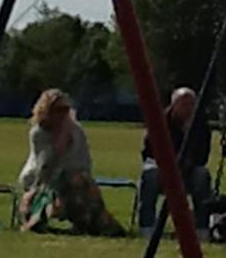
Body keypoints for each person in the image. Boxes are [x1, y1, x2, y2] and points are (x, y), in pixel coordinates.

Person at [16, 88, 125, 236]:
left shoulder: (77, 131)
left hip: (73, 177)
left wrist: (81, 176)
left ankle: (97, 223)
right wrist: (60, 140)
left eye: (66, 109)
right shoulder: (38, 133)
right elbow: (46, 166)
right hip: (39, 177)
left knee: (80, 185)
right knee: (67, 184)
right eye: (58, 110)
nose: (63, 114)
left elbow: (83, 162)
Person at [137, 86, 213, 231]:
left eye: (191, 104)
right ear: (173, 105)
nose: (188, 108)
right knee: (150, 175)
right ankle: (147, 226)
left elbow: (203, 154)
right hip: (161, 168)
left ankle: (202, 227)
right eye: (183, 104)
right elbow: (148, 151)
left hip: (189, 170)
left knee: (202, 176)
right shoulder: (159, 122)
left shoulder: (200, 125)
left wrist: (188, 163)